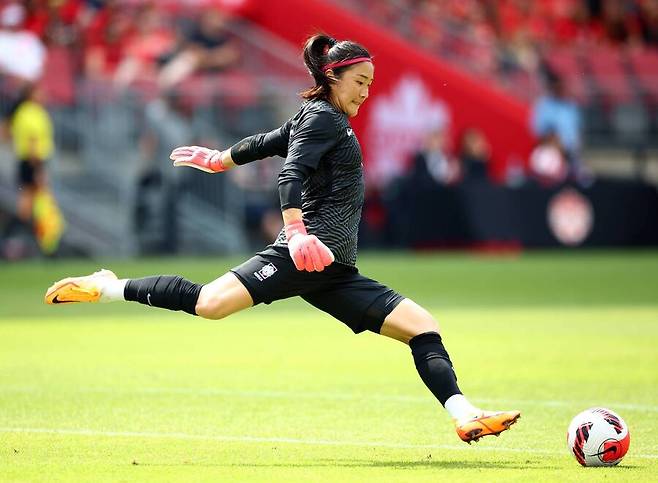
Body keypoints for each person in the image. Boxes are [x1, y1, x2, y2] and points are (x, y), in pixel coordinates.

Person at [44, 34, 520, 444]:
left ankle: (465, 416)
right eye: (360, 83)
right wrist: (294, 232)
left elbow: (270, 141)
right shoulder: (324, 119)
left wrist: (218, 160)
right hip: (302, 254)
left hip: (332, 272)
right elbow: (290, 169)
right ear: (334, 77)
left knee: (422, 327)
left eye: (371, 85)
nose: (366, 93)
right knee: (210, 303)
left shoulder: (316, 117)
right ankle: (108, 285)